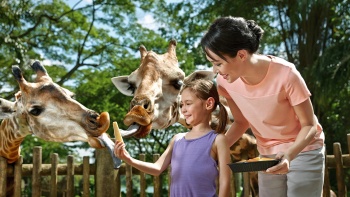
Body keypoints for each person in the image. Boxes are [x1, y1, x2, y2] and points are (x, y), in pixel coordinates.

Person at [200, 16, 325, 197]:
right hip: (267, 154)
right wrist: (213, 150)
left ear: (241, 55)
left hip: (303, 148)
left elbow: (309, 125)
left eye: (218, 63)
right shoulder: (224, 82)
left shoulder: (287, 74)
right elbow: (241, 122)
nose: (214, 71)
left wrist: (289, 155)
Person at [114, 78, 232, 197]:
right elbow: (157, 168)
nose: (183, 109)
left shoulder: (218, 140)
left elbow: (225, 181)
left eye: (188, 103)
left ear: (208, 104)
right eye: (182, 105)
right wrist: (128, 159)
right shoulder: (177, 139)